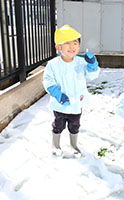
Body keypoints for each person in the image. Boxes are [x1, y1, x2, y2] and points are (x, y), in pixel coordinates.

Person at [43, 24, 100, 156]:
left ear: (79, 47)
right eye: (67, 43)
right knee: (58, 125)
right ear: (58, 47)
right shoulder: (53, 64)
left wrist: (92, 64)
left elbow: (92, 75)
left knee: (75, 126)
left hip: (76, 104)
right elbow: (48, 81)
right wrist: (57, 94)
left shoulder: (81, 63)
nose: (72, 46)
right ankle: (55, 145)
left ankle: (74, 145)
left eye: (75, 43)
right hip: (60, 104)